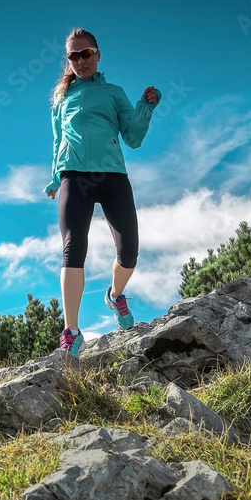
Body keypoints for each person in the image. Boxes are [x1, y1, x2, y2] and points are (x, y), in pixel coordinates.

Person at [45, 28, 161, 356]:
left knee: (129, 251)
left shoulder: (113, 93)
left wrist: (145, 107)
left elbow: (133, 136)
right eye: (73, 56)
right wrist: (56, 178)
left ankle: (116, 295)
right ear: (67, 60)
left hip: (111, 175)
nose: (80, 61)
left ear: (97, 55)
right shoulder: (61, 98)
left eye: (86, 54)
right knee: (72, 249)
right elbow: (58, 140)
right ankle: (71, 331)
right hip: (74, 177)